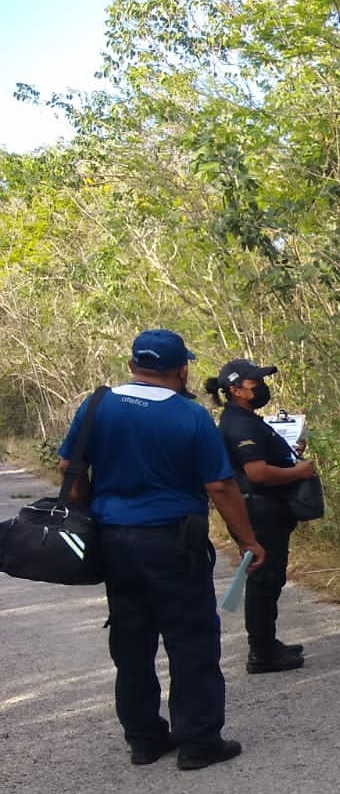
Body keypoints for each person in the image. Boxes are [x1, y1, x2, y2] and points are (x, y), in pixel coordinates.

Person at [58, 328, 266, 771]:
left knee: (131, 641)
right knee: (191, 639)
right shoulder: (190, 417)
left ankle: (145, 739)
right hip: (175, 542)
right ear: (182, 368)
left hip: (114, 540)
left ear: (134, 364)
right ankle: (198, 741)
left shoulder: (98, 405)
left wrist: (87, 512)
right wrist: (246, 539)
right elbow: (220, 485)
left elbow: (69, 467)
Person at [203, 358, 319, 674]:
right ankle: (262, 652)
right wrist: (297, 472)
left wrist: (289, 453)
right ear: (236, 390)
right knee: (264, 580)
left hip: (265, 509)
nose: (262, 388)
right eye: (255, 383)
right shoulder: (238, 424)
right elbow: (256, 472)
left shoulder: (246, 419)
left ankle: (268, 641)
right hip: (258, 510)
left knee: (269, 578)